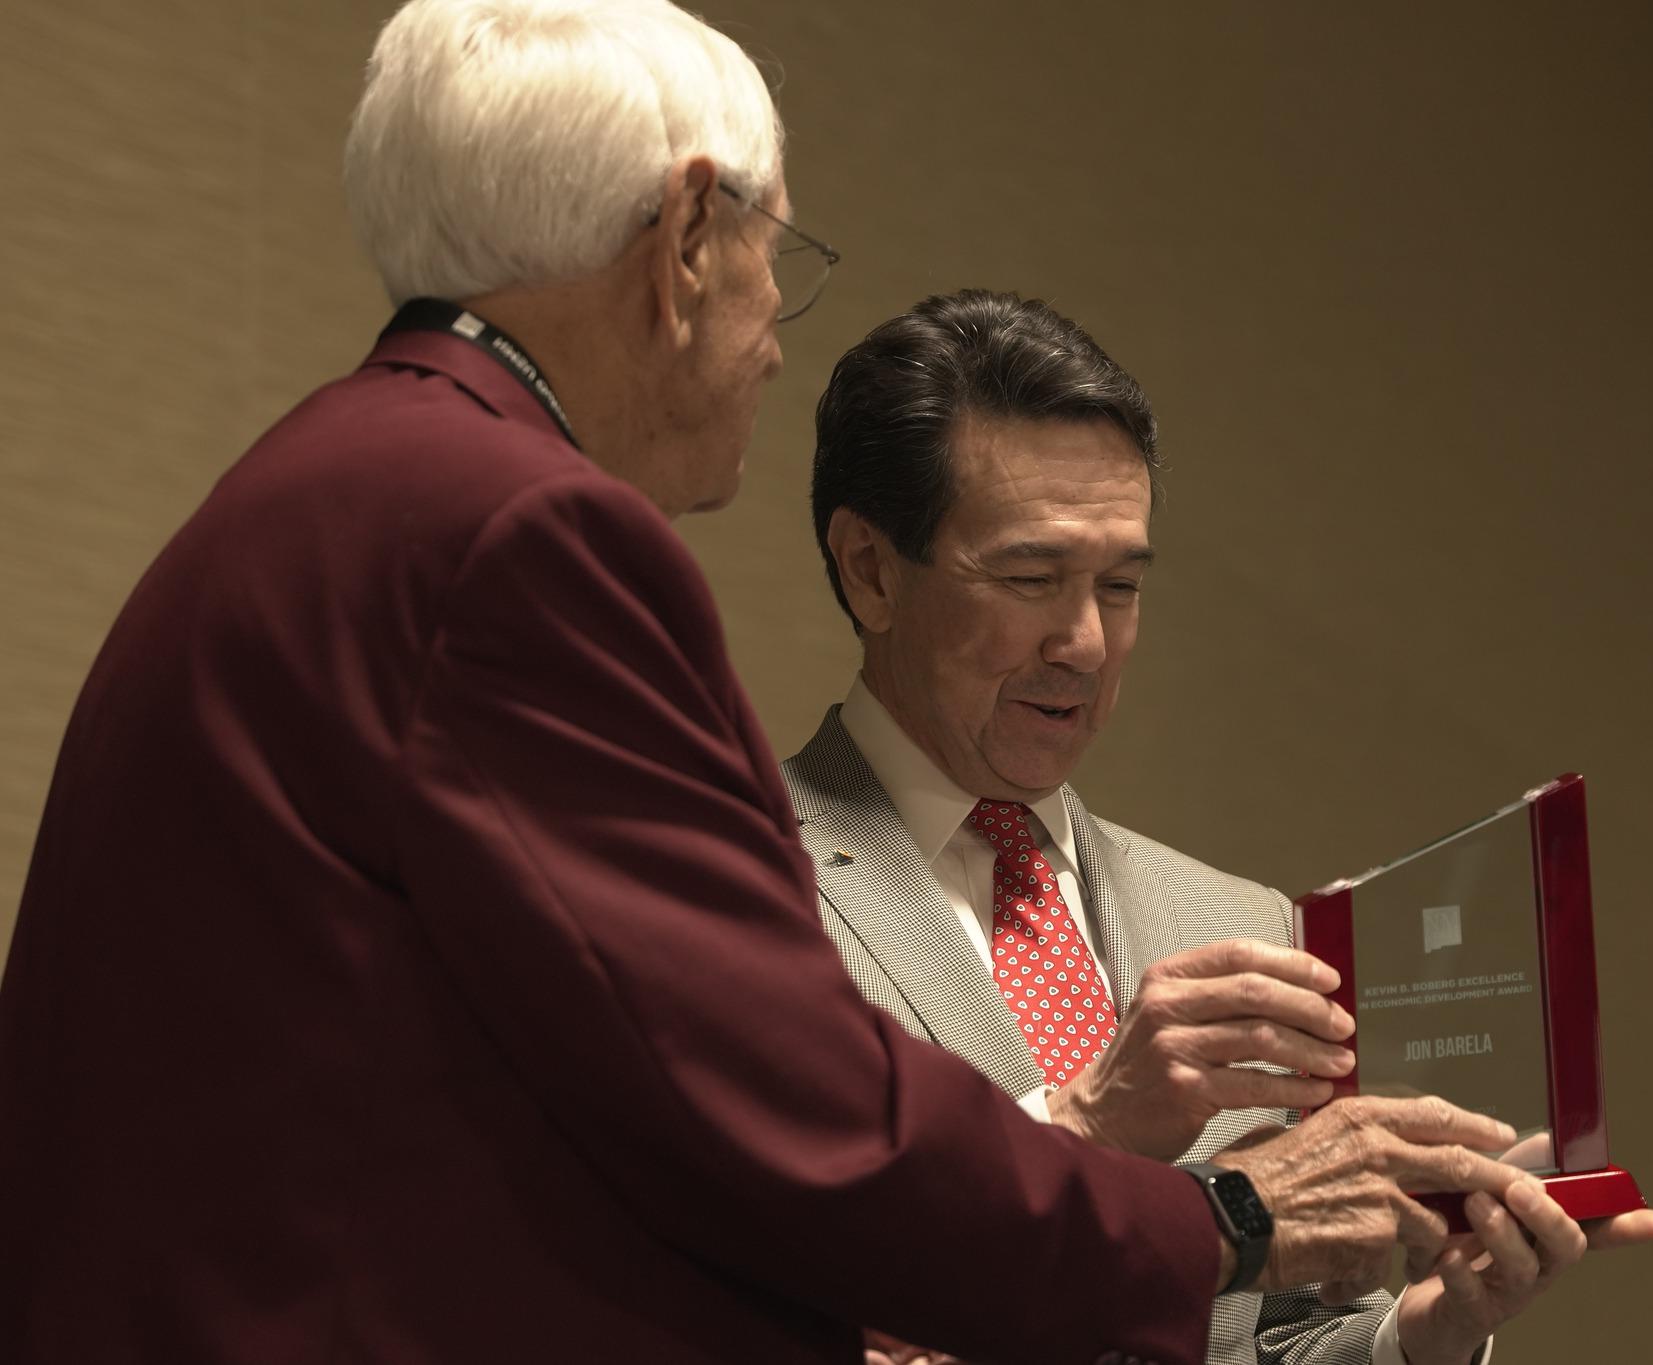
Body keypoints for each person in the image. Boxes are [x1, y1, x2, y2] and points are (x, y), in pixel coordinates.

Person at [0, 5, 1553, 1364]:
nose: (766, 342)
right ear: (685, 242)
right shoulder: (521, 526)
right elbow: (787, 1115)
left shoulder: (322, 482)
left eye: (1123, 582)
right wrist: (1216, 1214)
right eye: (775, 262)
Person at [790, 290, 1653, 1365]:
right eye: (1030, 579)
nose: (1082, 642)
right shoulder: (736, 885)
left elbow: (1270, 1339)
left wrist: (1423, 1334)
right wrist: (1084, 1125)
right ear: (870, 570)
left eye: (1119, 586)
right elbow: (754, 1294)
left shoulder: (1237, 923)